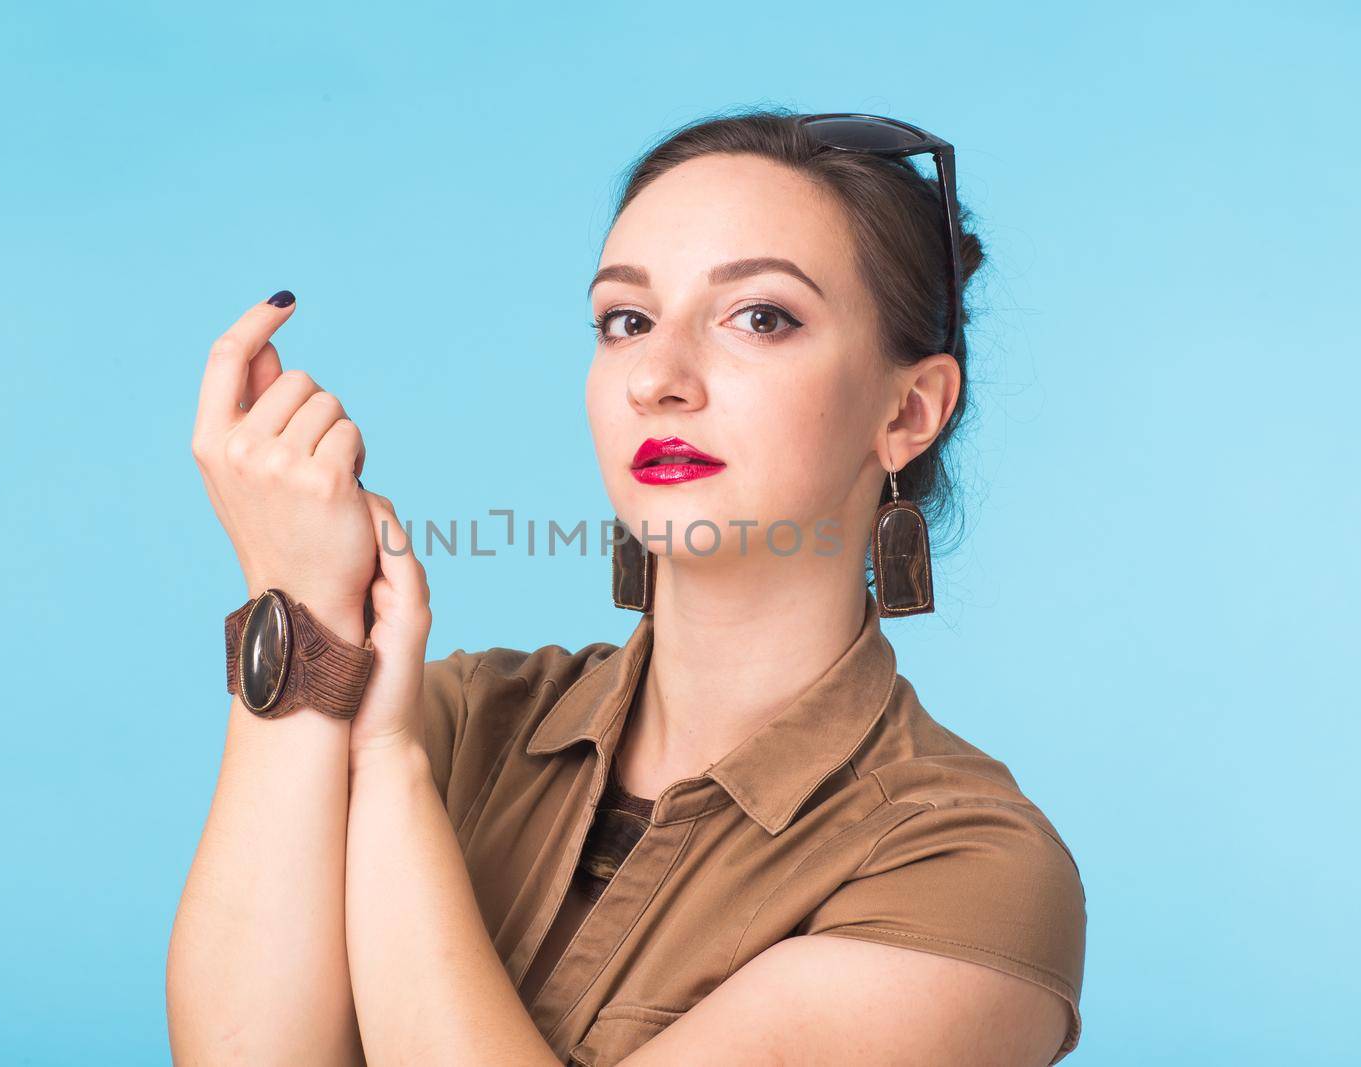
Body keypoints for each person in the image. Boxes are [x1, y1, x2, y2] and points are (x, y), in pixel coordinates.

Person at [166, 108, 1087, 1066]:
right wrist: (300, 612)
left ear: (909, 410)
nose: (658, 376)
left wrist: (391, 768)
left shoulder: (967, 870)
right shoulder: (465, 713)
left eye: (760, 316)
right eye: (627, 320)